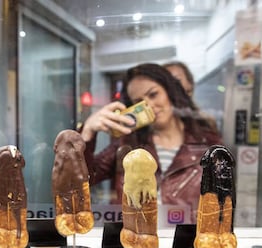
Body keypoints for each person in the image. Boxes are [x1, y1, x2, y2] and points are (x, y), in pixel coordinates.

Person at [80, 63, 222, 223]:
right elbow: (83, 178)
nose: (149, 106)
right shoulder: (126, 145)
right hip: (134, 238)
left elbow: (220, 201)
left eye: (153, 94)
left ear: (170, 92)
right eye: (138, 102)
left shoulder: (207, 143)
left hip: (183, 243)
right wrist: (87, 133)